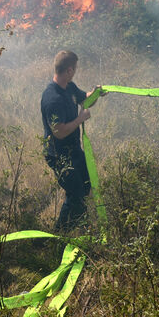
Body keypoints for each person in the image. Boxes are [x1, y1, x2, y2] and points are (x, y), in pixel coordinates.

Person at [41, 50, 103, 233]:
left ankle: (77, 224)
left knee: (86, 184)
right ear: (68, 70)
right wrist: (80, 119)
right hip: (58, 154)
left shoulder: (69, 87)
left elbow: (85, 100)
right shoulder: (52, 98)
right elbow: (59, 132)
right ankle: (60, 233)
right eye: (74, 69)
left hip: (73, 149)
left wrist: (97, 93)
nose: (75, 72)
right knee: (75, 194)